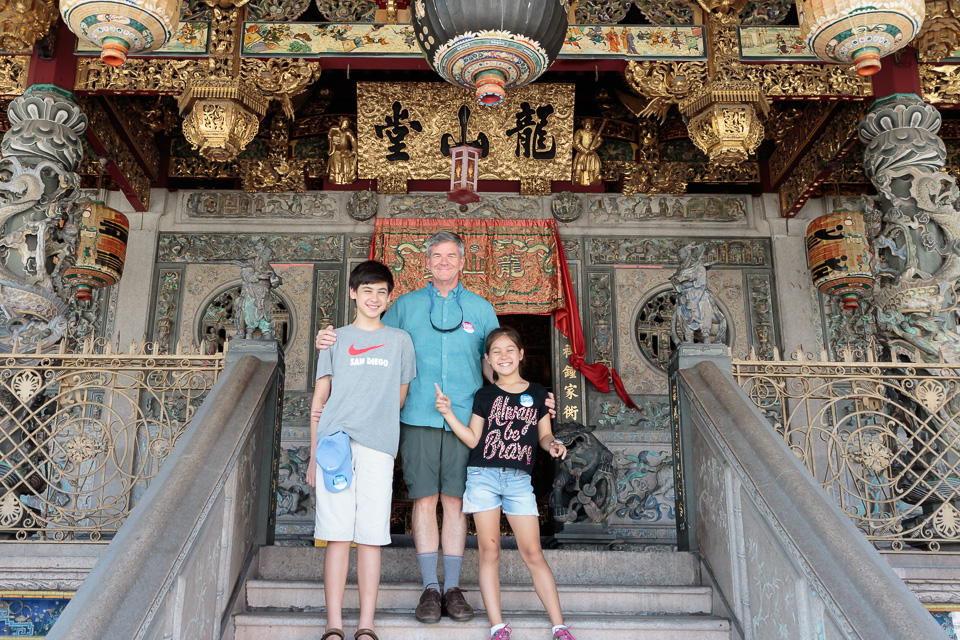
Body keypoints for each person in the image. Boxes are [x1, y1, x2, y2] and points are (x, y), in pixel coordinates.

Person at [316, 231, 498, 624]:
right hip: (416, 414)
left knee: (455, 501)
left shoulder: (482, 309)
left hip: (466, 417)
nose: (444, 262)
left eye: (451, 256)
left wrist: (518, 394)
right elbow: (371, 333)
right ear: (427, 262)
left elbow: (494, 362)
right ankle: (430, 588)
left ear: (463, 261)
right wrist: (329, 338)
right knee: (424, 499)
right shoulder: (404, 306)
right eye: (437, 256)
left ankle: (452, 588)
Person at [434, 327, 576, 640]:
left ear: (521, 354)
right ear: (487, 358)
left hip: (518, 480)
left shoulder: (537, 394)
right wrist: (448, 413)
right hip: (483, 476)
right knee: (490, 551)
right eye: (496, 351)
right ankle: (498, 626)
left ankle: (559, 626)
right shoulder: (484, 396)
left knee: (533, 552)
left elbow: (544, 435)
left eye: (510, 349)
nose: (504, 356)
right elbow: (473, 438)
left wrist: (553, 444)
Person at [307, 260, 416, 640]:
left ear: (389, 298)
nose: (374, 298)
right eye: (367, 290)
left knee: (371, 536)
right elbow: (319, 400)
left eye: (381, 292)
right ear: (353, 293)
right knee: (337, 535)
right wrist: (312, 457)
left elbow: (399, 399)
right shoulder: (334, 339)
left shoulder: (400, 341)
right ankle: (333, 624)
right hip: (334, 446)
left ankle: (366, 625)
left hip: (378, 447)